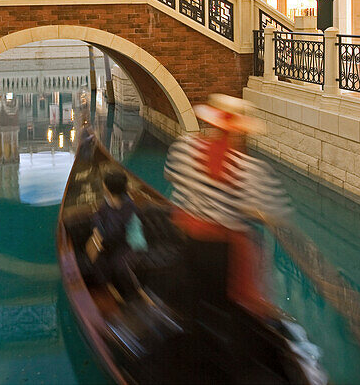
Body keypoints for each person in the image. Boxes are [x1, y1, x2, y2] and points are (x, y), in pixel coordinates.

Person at [164, 94, 291, 321]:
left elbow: (171, 175)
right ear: (240, 131)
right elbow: (274, 214)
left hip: (189, 242)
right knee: (252, 247)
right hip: (223, 252)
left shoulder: (185, 148)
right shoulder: (249, 169)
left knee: (196, 298)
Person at [86, 169, 143, 302]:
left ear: (109, 188)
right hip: (111, 242)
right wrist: (97, 230)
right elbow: (97, 216)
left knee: (120, 266)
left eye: (104, 184)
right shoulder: (108, 201)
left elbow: (115, 232)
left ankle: (135, 295)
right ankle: (109, 288)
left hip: (128, 244)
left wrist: (100, 234)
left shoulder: (128, 207)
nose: (102, 185)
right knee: (96, 256)